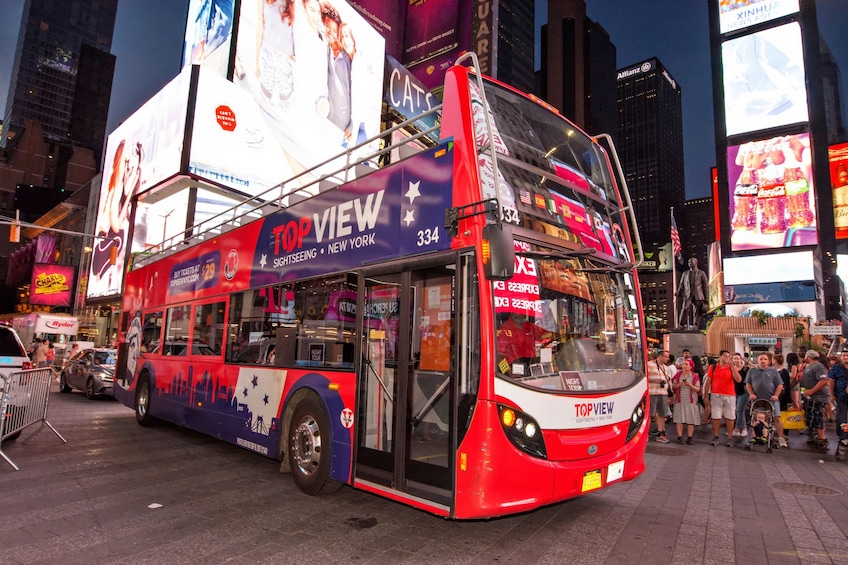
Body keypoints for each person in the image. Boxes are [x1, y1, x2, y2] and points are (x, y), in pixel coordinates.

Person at [255, 0, 296, 108]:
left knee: (285, 106)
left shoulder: (293, 3)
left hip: (287, 62)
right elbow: (260, 26)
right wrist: (256, 59)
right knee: (263, 101)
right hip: (268, 55)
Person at [321, 3, 352, 138]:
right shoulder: (324, 50)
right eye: (327, 27)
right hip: (325, 118)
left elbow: (355, 93)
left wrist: (352, 124)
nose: (330, 32)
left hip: (344, 126)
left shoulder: (346, 59)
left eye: (334, 29)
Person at [746, 352, 788, 448]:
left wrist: (776, 395)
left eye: (765, 359)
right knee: (755, 418)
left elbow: (780, 385)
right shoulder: (752, 371)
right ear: (758, 361)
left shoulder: (773, 372)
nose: (763, 361)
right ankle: (755, 436)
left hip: (771, 400)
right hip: (757, 400)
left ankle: (781, 438)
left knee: (777, 417)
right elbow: (748, 384)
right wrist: (751, 394)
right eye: (761, 359)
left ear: (768, 361)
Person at [704, 349, 743, 446]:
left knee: (730, 416)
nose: (727, 358)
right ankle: (716, 436)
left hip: (729, 395)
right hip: (716, 394)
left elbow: (738, 379)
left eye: (729, 356)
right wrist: (705, 395)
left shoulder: (731, 367)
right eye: (725, 356)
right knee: (716, 416)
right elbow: (708, 381)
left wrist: (732, 366)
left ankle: (730, 437)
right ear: (720, 356)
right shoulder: (713, 367)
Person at [800, 350, 830, 450]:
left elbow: (824, 380)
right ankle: (818, 437)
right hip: (810, 397)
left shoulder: (818, 366)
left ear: (809, 357)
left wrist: (811, 391)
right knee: (813, 417)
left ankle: (822, 439)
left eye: (805, 356)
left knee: (818, 417)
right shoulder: (809, 366)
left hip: (817, 397)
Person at [671, 358, 701, 444]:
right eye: (683, 364)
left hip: (691, 400)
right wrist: (680, 384)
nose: (684, 366)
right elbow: (673, 386)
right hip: (680, 400)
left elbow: (697, 389)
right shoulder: (678, 375)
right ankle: (680, 437)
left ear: (691, 366)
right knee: (679, 419)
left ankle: (690, 437)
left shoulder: (695, 376)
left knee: (690, 419)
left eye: (686, 364)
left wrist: (689, 385)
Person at [676, 257, 709, 328]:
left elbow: (706, 285)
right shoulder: (685, 273)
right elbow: (681, 285)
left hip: (698, 295)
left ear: (696, 262)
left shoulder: (701, 273)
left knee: (697, 311)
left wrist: (706, 297)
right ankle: (681, 324)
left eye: (691, 262)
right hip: (688, 295)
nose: (689, 263)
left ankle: (696, 325)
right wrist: (679, 292)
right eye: (688, 262)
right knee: (685, 308)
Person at [647, 350, 672, 443]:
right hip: (652, 392)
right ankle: (646, 434)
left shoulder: (666, 368)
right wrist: (653, 380)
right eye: (666, 356)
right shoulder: (649, 364)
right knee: (650, 414)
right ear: (660, 356)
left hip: (663, 393)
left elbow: (668, 380)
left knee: (662, 414)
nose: (667, 358)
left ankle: (661, 433)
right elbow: (643, 376)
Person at [828, 348, 848, 459]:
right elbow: (831, 382)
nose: (845, 357)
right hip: (841, 398)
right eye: (843, 355)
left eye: (847, 355)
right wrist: (831, 395)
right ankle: (843, 438)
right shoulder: (837, 368)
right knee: (841, 419)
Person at [731, 352, 750, 438]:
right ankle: (742, 428)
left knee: (739, 409)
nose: (736, 360)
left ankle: (739, 428)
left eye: (737, 358)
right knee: (738, 410)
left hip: (744, 392)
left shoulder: (746, 369)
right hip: (733, 392)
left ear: (741, 359)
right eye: (734, 358)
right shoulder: (731, 369)